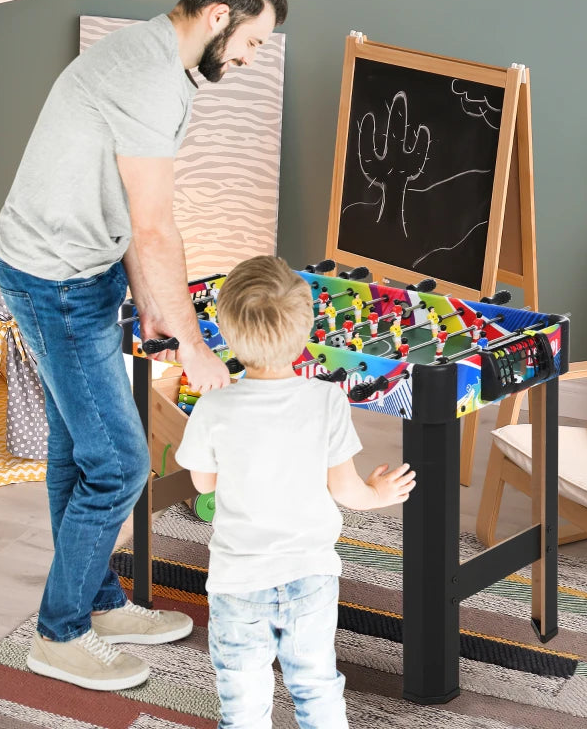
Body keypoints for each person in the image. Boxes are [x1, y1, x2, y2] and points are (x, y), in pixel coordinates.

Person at [0, 0, 288, 691]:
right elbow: (155, 229)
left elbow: (127, 207)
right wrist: (191, 342)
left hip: (77, 267)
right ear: (219, 18)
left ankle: (95, 604)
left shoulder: (155, 58)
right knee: (122, 463)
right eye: (253, 41)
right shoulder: (151, 78)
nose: (252, 58)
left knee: (80, 449)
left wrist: (153, 302)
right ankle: (59, 635)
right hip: (53, 278)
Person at [175, 256, 416, 729]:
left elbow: (204, 485)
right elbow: (346, 490)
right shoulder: (327, 398)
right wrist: (380, 492)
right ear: (306, 332)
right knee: (315, 683)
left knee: (243, 698)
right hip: (311, 576)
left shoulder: (213, 406)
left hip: (238, 581)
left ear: (225, 331)